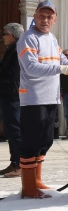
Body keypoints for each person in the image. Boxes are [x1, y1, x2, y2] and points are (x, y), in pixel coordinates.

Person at [16, 1, 68, 198]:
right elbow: (31, 68)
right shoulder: (28, 38)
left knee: (45, 140)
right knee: (31, 141)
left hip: (51, 97)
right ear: (35, 17)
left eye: (49, 17)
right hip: (34, 98)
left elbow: (62, 61)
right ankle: (28, 188)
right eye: (41, 16)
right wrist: (63, 69)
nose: (45, 20)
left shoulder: (52, 39)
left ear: (55, 19)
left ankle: (36, 181)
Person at [0, 23, 25, 178]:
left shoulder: (17, 50)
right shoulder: (12, 49)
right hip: (8, 95)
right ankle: (14, 162)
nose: (3, 37)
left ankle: (19, 164)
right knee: (10, 130)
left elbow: (12, 74)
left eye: (4, 34)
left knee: (15, 131)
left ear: (11, 35)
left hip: (13, 96)